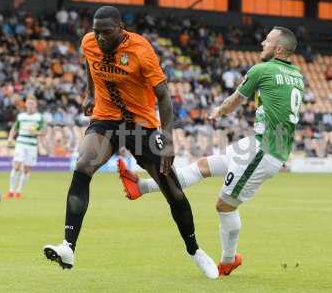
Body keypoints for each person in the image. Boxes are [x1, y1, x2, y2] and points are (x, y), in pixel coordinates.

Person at [43, 6, 218, 279]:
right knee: (84, 165)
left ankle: (195, 250)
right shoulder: (89, 42)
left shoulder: (141, 50)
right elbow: (89, 63)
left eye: (106, 32)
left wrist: (168, 139)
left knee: (172, 190)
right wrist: (91, 93)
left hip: (141, 125)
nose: (100, 38)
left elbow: (163, 95)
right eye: (96, 31)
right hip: (106, 119)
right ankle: (68, 246)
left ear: (120, 28)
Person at [119, 26, 303, 276]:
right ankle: (140, 187)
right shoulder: (297, 75)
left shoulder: (263, 69)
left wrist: (218, 111)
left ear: (279, 49)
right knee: (203, 166)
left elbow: (236, 99)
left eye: (267, 41)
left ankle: (228, 260)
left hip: (263, 151)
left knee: (225, 206)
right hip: (257, 144)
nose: (262, 43)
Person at [5, 95, 46, 199]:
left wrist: (35, 132)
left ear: (35, 104)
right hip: (21, 143)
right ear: (26, 104)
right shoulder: (21, 116)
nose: (30, 105)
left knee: (27, 169)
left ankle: (18, 192)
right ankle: (10, 191)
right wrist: (10, 138)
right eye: (28, 103)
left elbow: (44, 132)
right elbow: (14, 127)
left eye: (32, 103)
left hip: (32, 146)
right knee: (16, 166)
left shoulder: (39, 117)